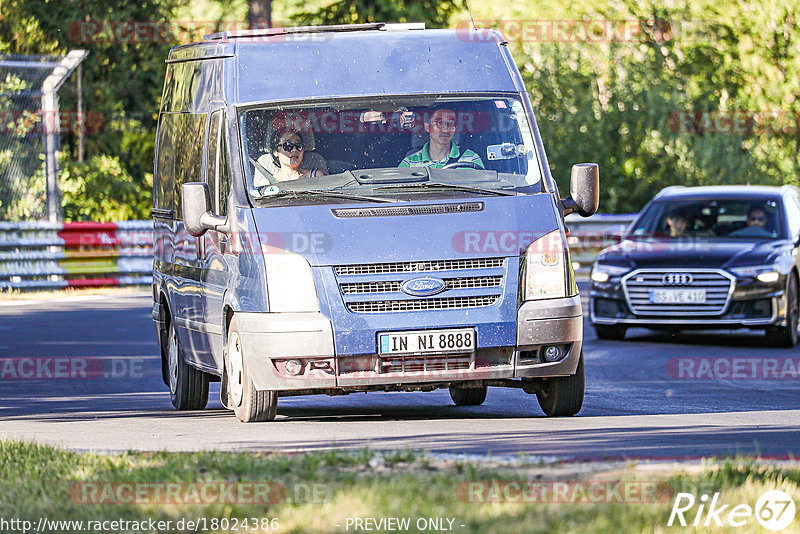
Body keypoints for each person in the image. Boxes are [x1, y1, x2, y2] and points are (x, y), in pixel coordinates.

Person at [398, 107, 484, 169]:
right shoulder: (409, 164)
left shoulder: (471, 159)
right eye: (440, 123)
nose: (446, 129)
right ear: (428, 127)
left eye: (451, 123)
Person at [257, 129, 327, 184]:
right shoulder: (268, 183)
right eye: (288, 146)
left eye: (298, 145)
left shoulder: (316, 176)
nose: (294, 150)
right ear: (276, 152)